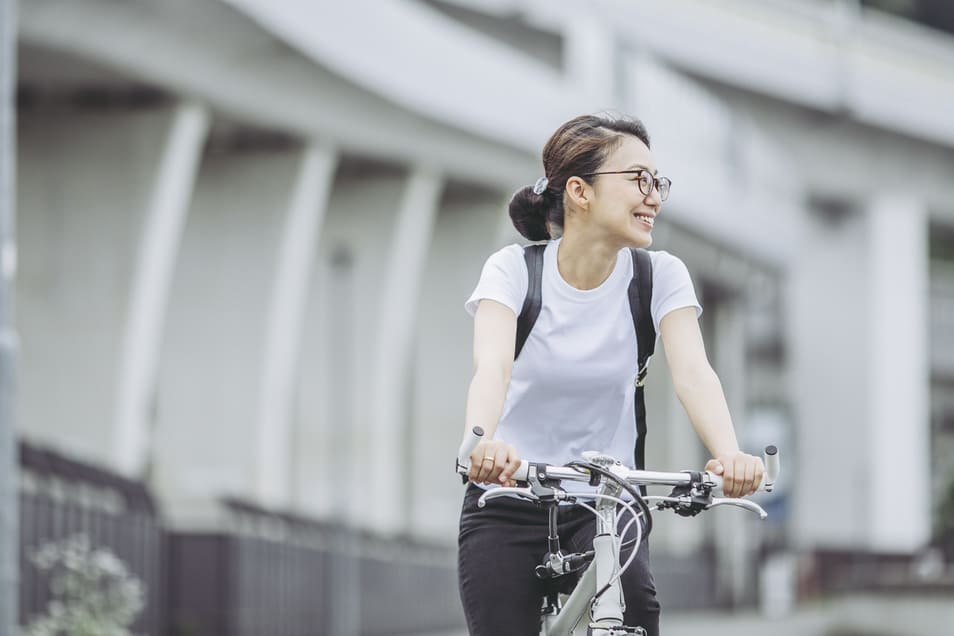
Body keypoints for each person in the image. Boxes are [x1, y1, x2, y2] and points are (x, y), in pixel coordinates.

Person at [457, 112, 765, 636]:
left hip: (605, 501)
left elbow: (694, 374)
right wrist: (482, 443)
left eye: (656, 182)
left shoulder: (659, 276)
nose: (653, 196)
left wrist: (729, 453)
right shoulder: (513, 271)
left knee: (636, 614)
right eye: (637, 179)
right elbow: (493, 366)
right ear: (580, 191)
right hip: (506, 496)